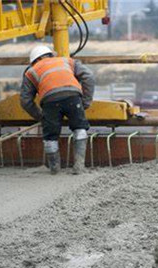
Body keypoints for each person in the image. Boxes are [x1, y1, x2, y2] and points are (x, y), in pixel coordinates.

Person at [20, 45, 95, 175]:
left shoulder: (31, 72)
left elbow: (25, 101)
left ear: (34, 61)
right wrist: (86, 102)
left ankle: (55, 170)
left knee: (50, 137)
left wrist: (41, 116)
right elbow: (88, 76)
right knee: (80, 129)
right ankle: (79, 167)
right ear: (50, 54)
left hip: (49, 101)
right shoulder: (66, 61)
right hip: (73, 96)